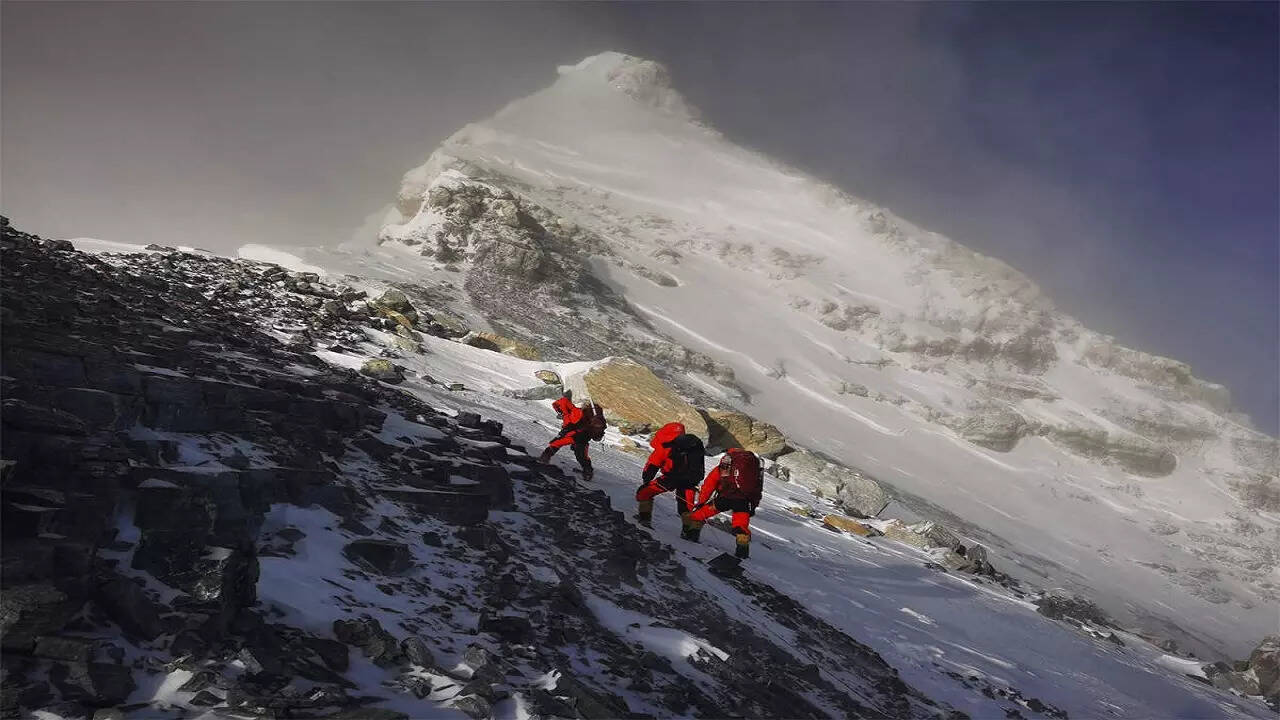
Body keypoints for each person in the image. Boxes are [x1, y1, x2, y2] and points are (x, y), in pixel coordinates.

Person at [685, 448, 764, 559]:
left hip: (724, 499)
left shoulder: (725, 464)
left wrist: (701, 502)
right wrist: (753, 507)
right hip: (743, 502)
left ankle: (690, 538)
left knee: (698, 516)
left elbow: (709, 485)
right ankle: (742, 555)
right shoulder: (753, 469)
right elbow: (756, 491)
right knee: (741, 528)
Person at [634, 423, 706, 536]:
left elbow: (653, 464)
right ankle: (690, 533)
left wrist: (646, 480)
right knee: (686, 507)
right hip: (690, 481)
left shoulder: (666, 444)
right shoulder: (694, 444)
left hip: (670, 478)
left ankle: (644, 519)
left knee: (644, 492)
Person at [537, 391, 601, 481]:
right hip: (580, 436)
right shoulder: (573, 411)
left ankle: (544, 459)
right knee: (581, 454)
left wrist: (564, 429)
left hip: (577, 434)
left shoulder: (574, 410)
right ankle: (588, 472)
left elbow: (573, 424)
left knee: (557, 444)